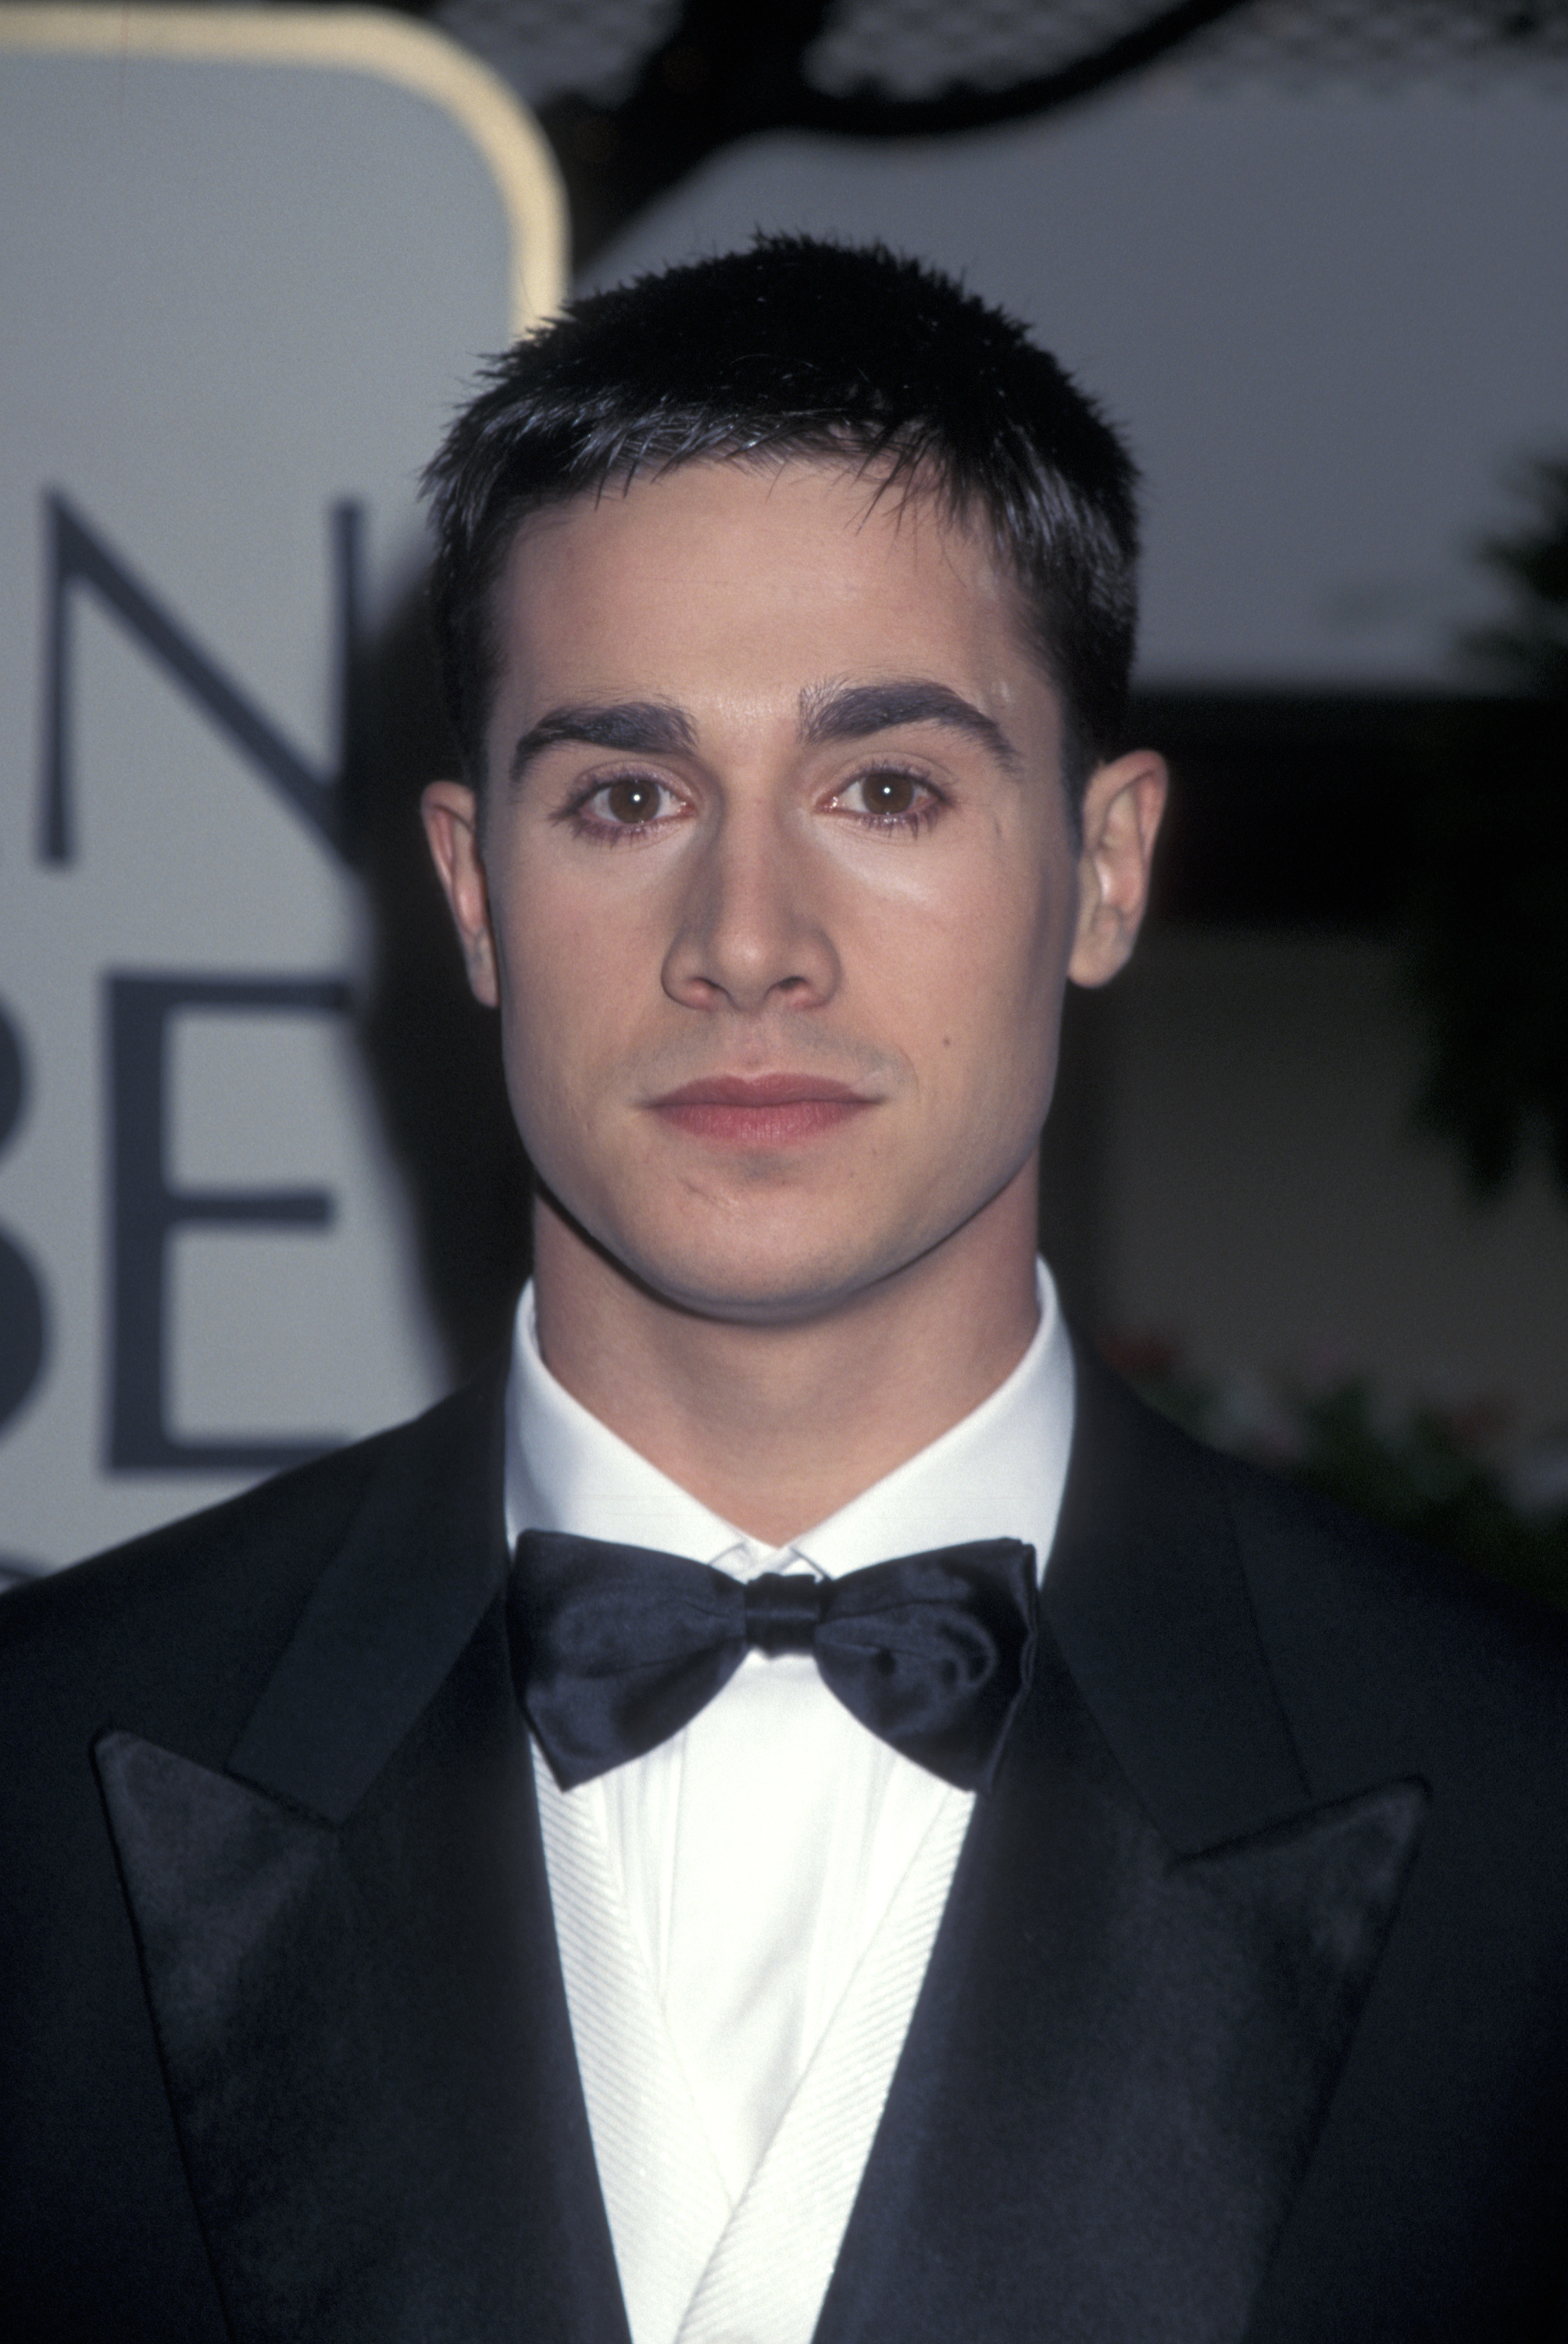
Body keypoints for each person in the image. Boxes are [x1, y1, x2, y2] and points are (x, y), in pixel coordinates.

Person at [2, 236, 1566, 2344]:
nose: (748, 936)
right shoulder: (38, 1788)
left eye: (885, 788)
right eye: (630, 796)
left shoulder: (1525, 1814)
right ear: (474, 891)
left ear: (1104, 869)